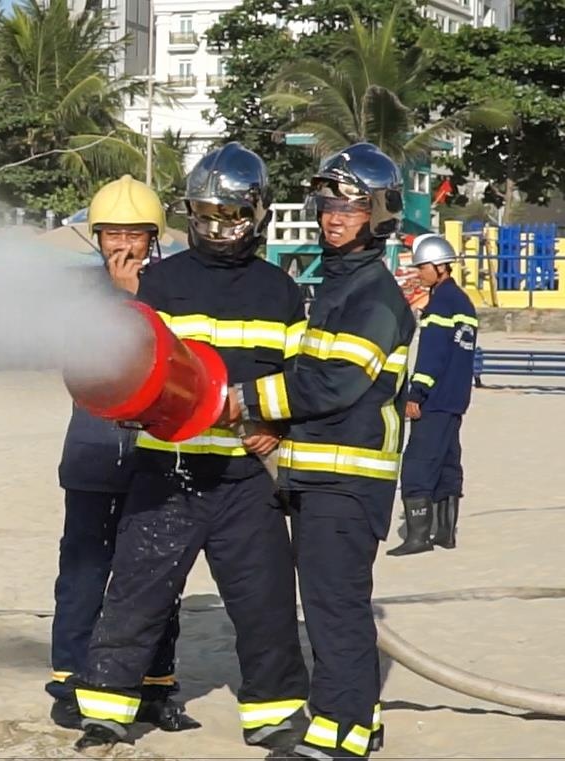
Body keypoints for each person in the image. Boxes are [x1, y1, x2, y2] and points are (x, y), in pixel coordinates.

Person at [71, 154, 311, 753]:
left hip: (244, 478)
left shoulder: (281, 291)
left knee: (265, 603)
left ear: (256, 215)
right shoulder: (159, 283)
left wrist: (274, 428)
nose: (219, 226)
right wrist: (126, 303)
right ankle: (106, 711)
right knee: (135, 594)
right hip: (167, 470)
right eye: (206, 214)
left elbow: (298, 377)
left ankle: (273, 715)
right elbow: (119, 372)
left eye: (232, 215)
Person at [225, 143, 417, 759]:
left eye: (352, 207)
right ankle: (350, 714)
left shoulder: (373, 298)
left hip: (348, 484)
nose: (334, 217)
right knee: (329, 607)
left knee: (335, 609)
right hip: (317, 479)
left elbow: (327, 385)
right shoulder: (336, 287)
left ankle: (343, 734)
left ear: (380, 214)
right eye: (328, 203)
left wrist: (245, 400)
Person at [48, 174, 183, 732]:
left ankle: (154, 682)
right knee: (83, 570)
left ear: (152, 238)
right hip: (95, 452)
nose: (122, 245)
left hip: (156, 451)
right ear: (96, 238)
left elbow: (180, 357)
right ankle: (70, 679)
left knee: (156, 569)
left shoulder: (171, 288)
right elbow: (81, 367)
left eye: (134, 233)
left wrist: (138, 300)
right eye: (112, 234)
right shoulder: (76, 295)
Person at [386, 233, 477, 555]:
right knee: (448, 463)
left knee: (418, 464)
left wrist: (417, 392)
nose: (418, 272)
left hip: (435, 399)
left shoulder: (440, 304)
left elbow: (433, 355)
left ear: (440, 267)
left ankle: (418, 537)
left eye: (422, 266)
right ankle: (444, 533)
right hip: (456, 398)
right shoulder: (463, 302)